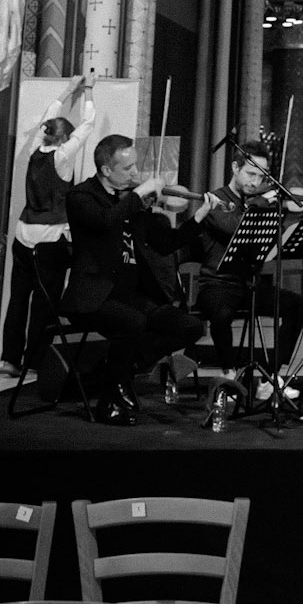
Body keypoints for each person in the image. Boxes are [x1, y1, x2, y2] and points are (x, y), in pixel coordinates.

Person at [61, 133, 202, 425]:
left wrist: (201, 217)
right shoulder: (81, 197)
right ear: (106, 170)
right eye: (128, 169)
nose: (136, 174)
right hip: (93, 296)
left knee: (190, 326)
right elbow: (104, 221)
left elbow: (165, 243)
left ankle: (117, 373)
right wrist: (138, 196)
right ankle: (108, 404)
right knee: (133, 322)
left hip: (129, 296)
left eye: (136, 167)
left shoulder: (129, 203)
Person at [179, 141, 303, 392]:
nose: (256, 182)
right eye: (251, 174)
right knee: (221, 313)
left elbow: (281, 238)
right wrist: (261, 203)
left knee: (296, 306)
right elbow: (236, 228)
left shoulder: (258, 204)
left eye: (261, 177)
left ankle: (269, 378)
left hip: (247, 286)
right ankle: (228, 376)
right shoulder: (217, 201)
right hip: (216, 286)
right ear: (234, 168)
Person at [0, 78, 96, 377]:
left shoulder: (35, 151)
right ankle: (33, 360)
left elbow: (45, 118)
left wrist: (67, 92)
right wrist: (88, 90)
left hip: (23, 232)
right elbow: (88, 123)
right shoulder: (62, 157)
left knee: (17, 299)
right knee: (44, 302)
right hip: (49, 237)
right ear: (64, 139)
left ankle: (8, 358)